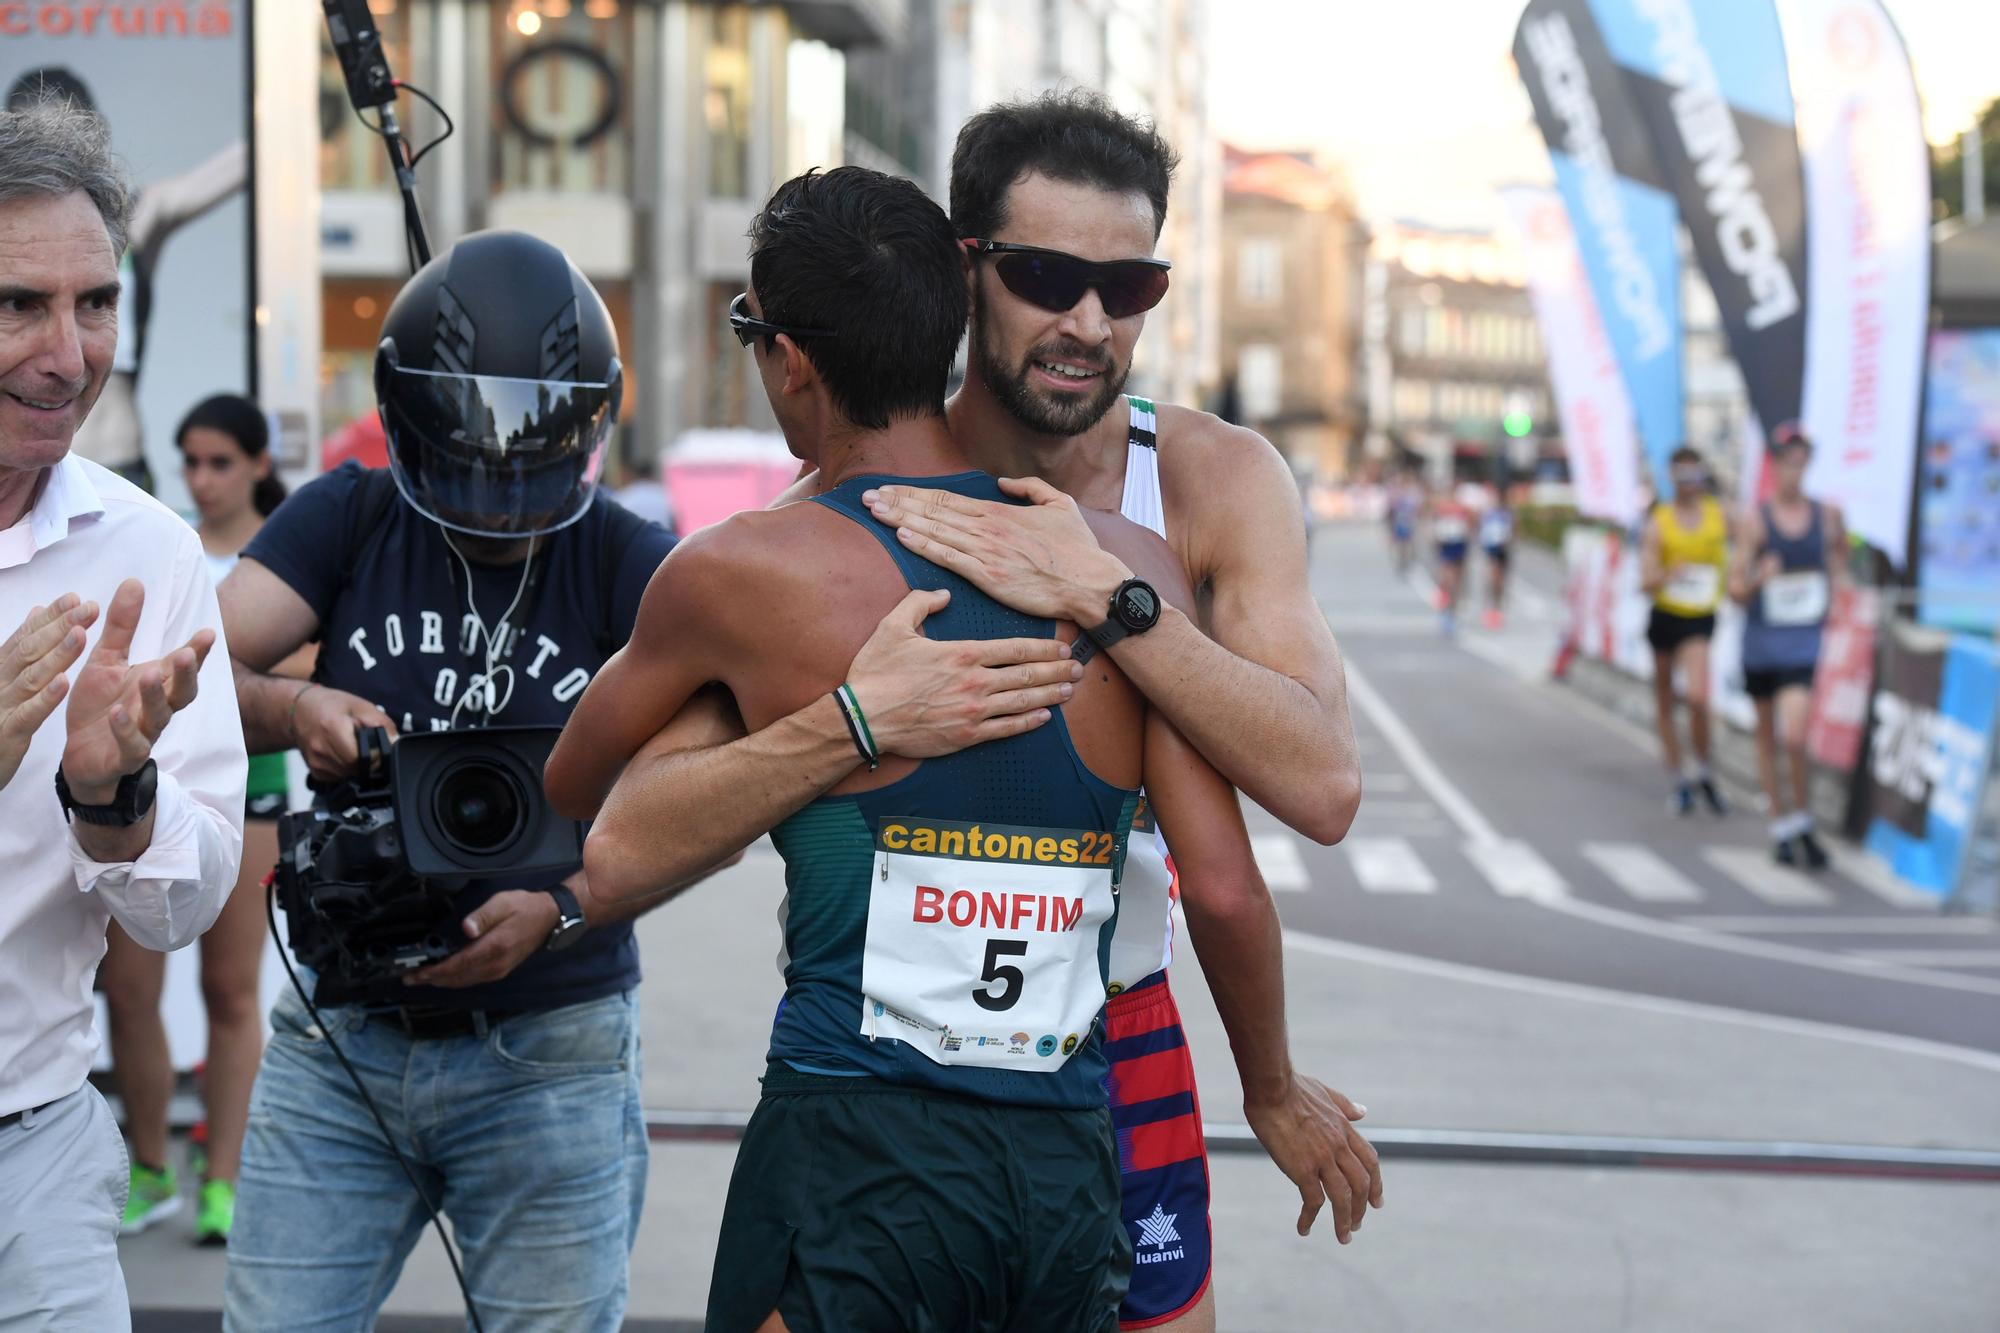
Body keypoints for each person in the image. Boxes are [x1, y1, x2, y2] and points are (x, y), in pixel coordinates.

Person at [559, 91, 1376, 1333]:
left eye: (1131, 287)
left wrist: (1107, 601)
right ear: (963, 271)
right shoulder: (811, 523)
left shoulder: (1197, 486)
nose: (1088, 322)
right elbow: (642, 834)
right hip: (972, 1101)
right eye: (1048, 275)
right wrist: (857, 720)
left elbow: (1319, 789)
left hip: (1104, 1036)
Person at [216, 231, 680, 1332]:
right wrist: (299, 711)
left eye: (530, 478)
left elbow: (712, 789)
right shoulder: (351, 514)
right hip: (345, 1036)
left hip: (551, 1045)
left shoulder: (629, 561)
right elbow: (195, 665)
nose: (501, 510)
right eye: (470, 477)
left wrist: (565, 902)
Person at [0, 99, 244, 1333]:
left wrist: (115, 801)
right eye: (17, 306)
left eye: (93, 303)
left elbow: (190, 900)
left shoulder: (146, 547)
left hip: (38, 1149)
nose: (67, 353)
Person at [98, 394, 300, 1243]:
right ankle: (149, 1166)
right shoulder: (161, 543)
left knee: (229, 987)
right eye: (191, 460)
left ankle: (224, 1177)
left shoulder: (284, 552)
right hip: (150, 780)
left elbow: (303, 660)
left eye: (220, 461)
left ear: (258, 463)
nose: (201, 477)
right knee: (131, 990)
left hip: (252, 784)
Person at [7, 68, 248, 492]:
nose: (52, 160)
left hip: (115, 461)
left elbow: (242, 162)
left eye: (96, 301)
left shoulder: (129, 218)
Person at [1730, 424, 1844, 868]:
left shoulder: (1827, 515)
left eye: (1802, 463)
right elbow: (1735, 589)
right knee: (1767, 737)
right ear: (1774, 466)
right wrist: (1761, 577)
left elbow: (1838, 563)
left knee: (1796, 737)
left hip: (1801, 644)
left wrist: (1837, 588)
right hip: (1762, 644)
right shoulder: (1756, 520)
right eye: (1788, 463)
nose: (1795, 472)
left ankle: (1804, 819)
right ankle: (1781, 825)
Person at [1641, 446, 1729, 817]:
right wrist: (1667, 575)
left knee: (1696, 696)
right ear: (1671, 478)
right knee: (1665, 700)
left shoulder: (1718, 515)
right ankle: (1679, 778)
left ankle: (1704, 768)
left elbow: (1747, 544)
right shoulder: (1659, 521)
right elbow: (1646, 580)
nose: (1689, 484)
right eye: (1682, 477)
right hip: (1666, 615)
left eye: (1695, 475)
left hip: (1699, 617)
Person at [1429, 484, 1475, 634]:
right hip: (1446, 545)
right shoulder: (1441, 507)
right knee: (1448, 578)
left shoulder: (1464, 509)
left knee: (1457, 581)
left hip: (1459, 545)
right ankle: (1446, 610)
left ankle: (1452, 613)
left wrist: (1468, 536)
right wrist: (1435, 540)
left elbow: (1471, 524)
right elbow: (1434, 523)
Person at [1480, 493, 1514, 630]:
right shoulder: (1488, 513)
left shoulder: (1508, 514)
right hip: (1491, 549)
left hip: (1503, 549)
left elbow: (1513, 532)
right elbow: (1482, 530)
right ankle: (1490, 607)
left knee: (1501, 580)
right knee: (1492, 577)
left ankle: (1497, 608)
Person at [1386, 468, 1421, 575]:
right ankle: (1403, 559)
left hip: (1409, 521)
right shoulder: (1397, 492)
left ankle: (1410, 558)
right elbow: (1392, 507)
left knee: (1409, 541)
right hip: (1400, 521)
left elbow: (1418, 507)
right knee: (1402, 542)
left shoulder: (1413, 492)